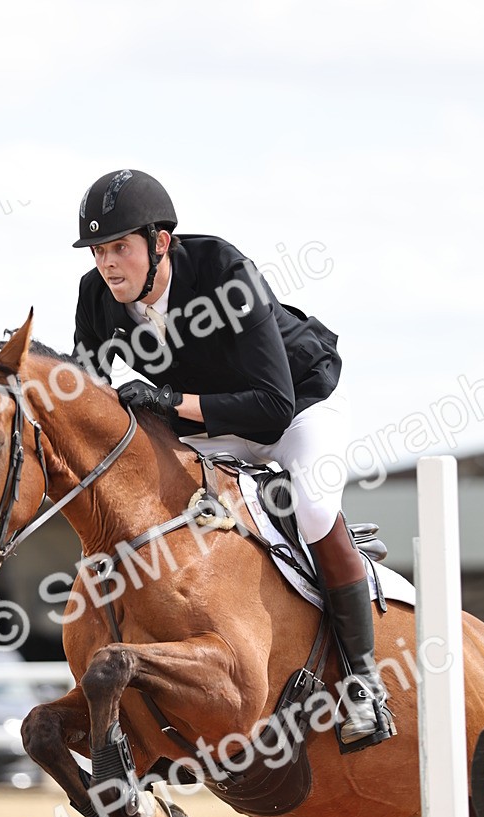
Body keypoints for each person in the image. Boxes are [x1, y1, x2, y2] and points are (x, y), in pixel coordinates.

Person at [72, 169, 394, 752]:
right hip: (212, 426)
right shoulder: (97, 298)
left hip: (298, 407)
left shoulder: (223, 272)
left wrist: (169, 402)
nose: (108, 264)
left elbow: (272, 408)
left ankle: (365, 682)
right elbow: (87, 410)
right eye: (99, 250)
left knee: (316, 506)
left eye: (120, 247)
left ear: (160, 242)